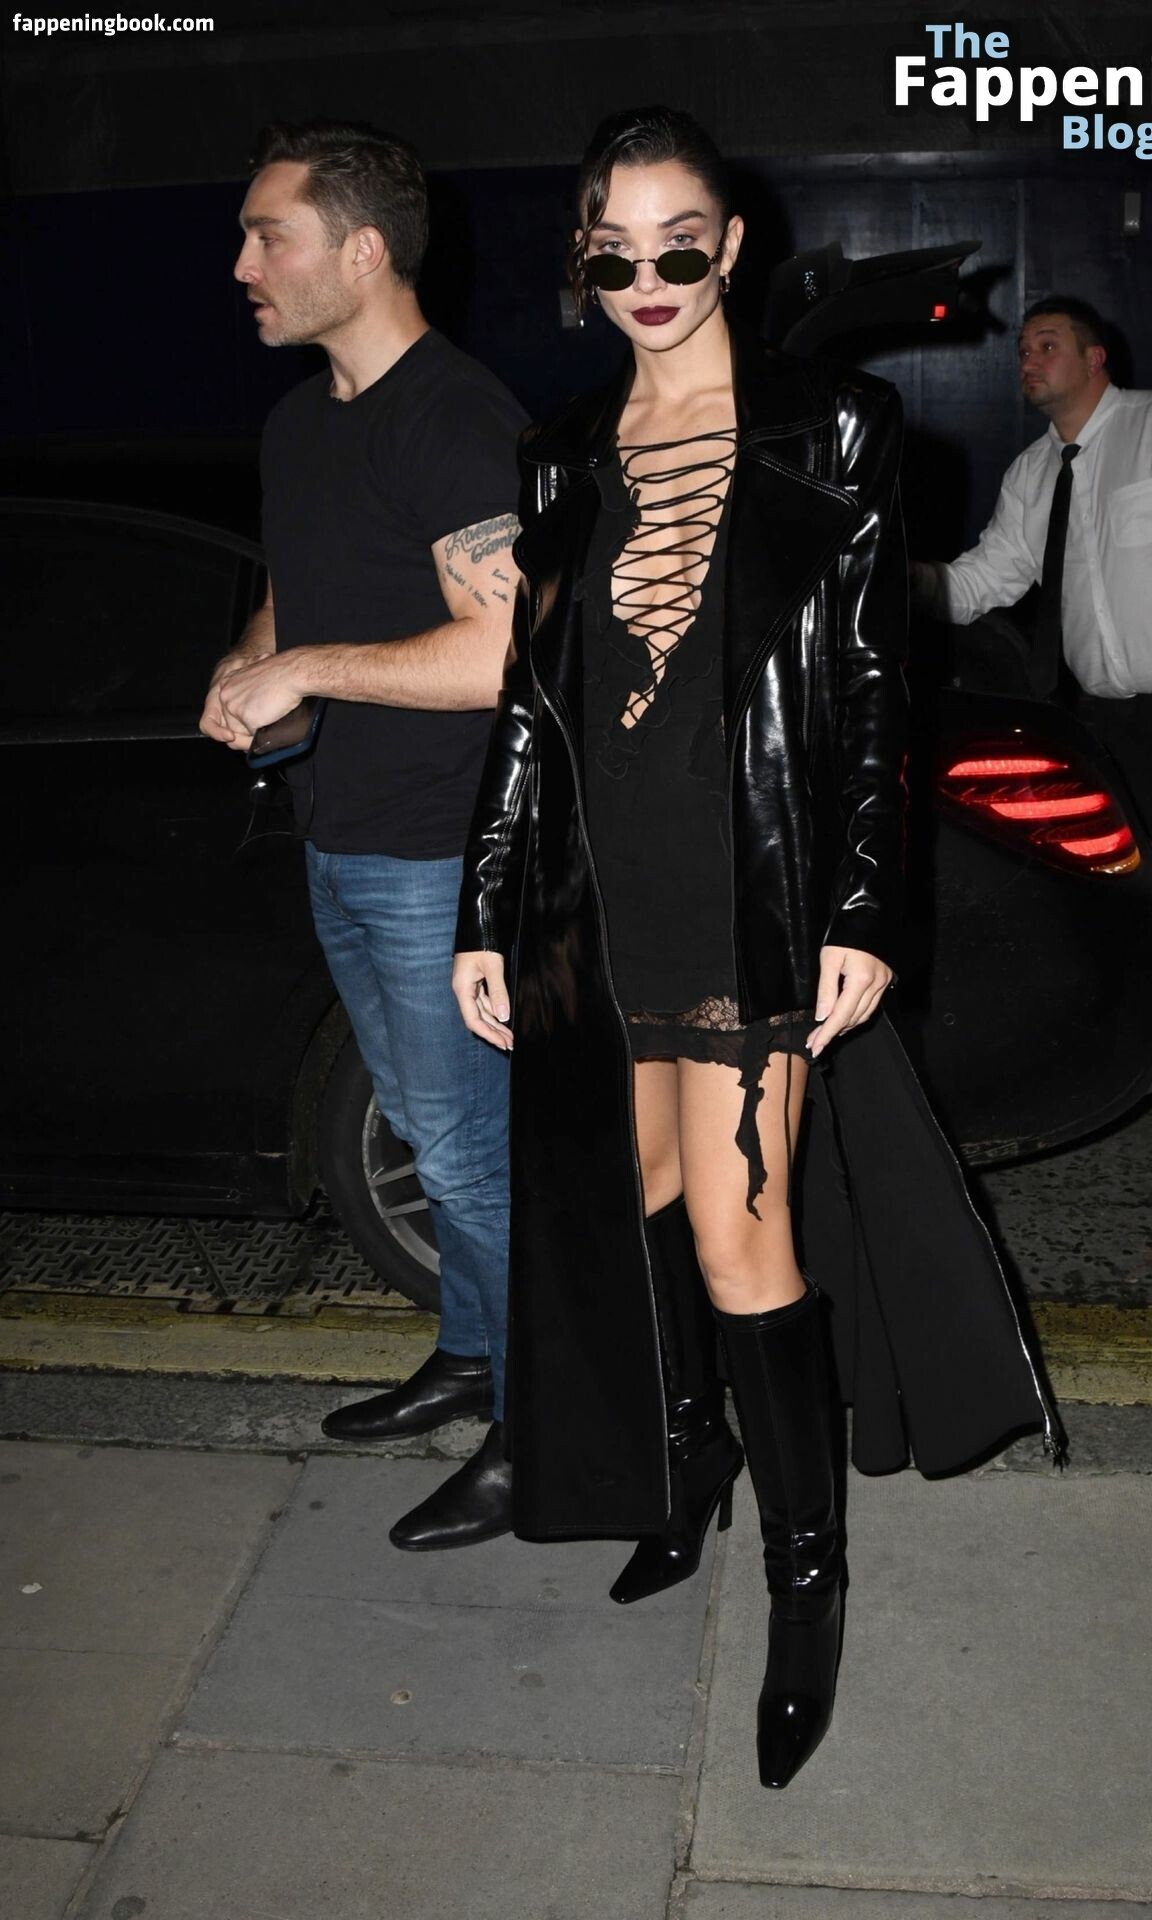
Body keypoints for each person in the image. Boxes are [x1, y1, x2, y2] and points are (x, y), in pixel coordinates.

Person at [452, 105, 1062, 1792]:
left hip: (748, 894)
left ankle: (809, 1578)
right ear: (585, 261)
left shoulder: (828, 427)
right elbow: (530, 701)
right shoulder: (563, 451)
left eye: (679, 245)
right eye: (614, 253)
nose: (648, 278)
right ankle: (688, 1463)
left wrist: (862, 906)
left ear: (729, 248)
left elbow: (873, 687)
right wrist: (487, 907)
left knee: (741, 1240)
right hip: (595, 899)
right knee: (640, 1210)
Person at [200, 119, 527, 1547]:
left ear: (364, 251)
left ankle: (540, 1431)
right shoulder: (299, 423)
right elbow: (300, 586)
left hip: (442, 856)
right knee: (423, 1126)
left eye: (268, 236)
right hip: (341, 831)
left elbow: (504, 650)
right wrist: (248, 667)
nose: (242, 266)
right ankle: (469, 1356)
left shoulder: (453, 416)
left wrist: (310, 670)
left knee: (468, 1155)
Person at [913, 296, 1152, 1106]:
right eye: (1021, 350)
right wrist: (902, 583)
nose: (1027, 360)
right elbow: (986, 579)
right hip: (1115, 717)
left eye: (1046, 344)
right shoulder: (1033, 472)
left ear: (1094, 357)